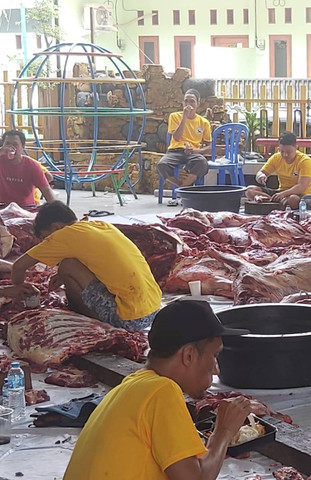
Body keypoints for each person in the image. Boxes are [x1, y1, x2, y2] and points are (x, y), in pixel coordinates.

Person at [64, 299, 253, 480]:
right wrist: (224, 432)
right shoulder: (162, 391)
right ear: (188, 355)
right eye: (214, 355)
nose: (216, 368)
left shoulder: (133, 384)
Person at [11, 201, 162, 331]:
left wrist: (18, 290)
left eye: (45, 237)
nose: (46, 242)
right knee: (68, 267)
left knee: (67, 265)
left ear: (56, 227)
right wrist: (62, 277)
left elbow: (18, 267)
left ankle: (80, 316)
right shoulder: (101, 225)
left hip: (129, 318)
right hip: (153, 312)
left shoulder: (64, 235)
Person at [157, 89, 212, 203]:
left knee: (202, 162)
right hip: (175, 151)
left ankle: (183, 188)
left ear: (198, 104)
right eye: (186, 101)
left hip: (192, 153)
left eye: (192, 101)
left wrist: (197, 151)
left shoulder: (203, 122)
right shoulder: (175, 116)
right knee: (162, 165)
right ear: (182, 103)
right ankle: (182, 187)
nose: (188, 104)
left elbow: (210, 147)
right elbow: (176, 137)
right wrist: (184, 117)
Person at [245, 131, 311, 209]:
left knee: (293, 199)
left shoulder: (305, 161)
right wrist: (261, 176)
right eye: (282, 151)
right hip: (280, 192)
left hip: (299, 194)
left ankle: (270, 204)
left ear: (296, 147)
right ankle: (273, 202)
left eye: (288, 152)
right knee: (249, 190)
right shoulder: (276, 157)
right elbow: (261, 172)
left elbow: (301, 187)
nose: (285, 155)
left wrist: (283, 194)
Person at [0, 130, 56, 208]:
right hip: (2, 207)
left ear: (23, 147)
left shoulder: (32, 166)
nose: (10, 148)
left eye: (15, 144)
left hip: (25, 208)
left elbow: (47, 191)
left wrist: (57, 210)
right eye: (7, 144)